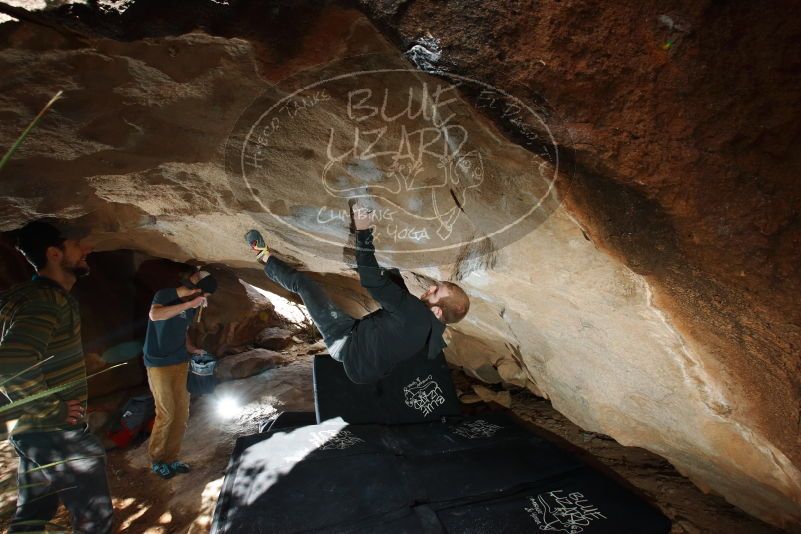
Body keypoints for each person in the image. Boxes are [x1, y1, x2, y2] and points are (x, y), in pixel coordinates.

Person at [245, 203, 470, 384]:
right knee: (388, 281)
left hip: (343, 341)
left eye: (435, 291)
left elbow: (373, 281)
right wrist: (390, 268)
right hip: (360, 345)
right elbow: (398, 300)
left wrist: (364, 231)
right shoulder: (431, 333)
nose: (430, 288)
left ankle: (263, 256)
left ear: (438, 310)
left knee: (305, 285)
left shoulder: (415, 314)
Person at [0, 220, 113, 533]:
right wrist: (55, 410)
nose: (87, 249)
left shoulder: (19, 296)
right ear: (54, 253)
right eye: (77, 245)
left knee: (33, 515)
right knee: (95, 520)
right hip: (57, 435)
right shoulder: (46, 301)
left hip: (29, 432)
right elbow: (9, 362)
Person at [143, 269, 217, 479]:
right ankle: (157, 460)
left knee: (182, 413)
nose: (205, 300)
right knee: (166, 412)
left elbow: (182, 332)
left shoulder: (193, 308)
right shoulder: (165, 295)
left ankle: (171, 458)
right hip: (158, 363)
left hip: (180, 362)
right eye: (205, 295)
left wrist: (193, 349)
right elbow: (155, 315)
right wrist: (188, 304)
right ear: (197, 290)